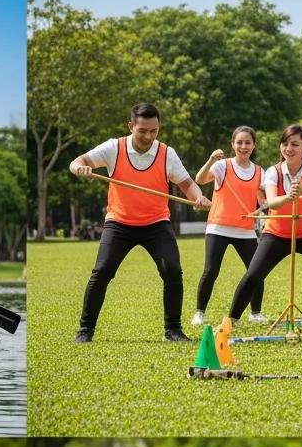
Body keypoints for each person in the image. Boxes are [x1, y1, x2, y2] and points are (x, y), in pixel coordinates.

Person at [70, 101, 212, 343]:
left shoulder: (167, 153)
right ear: (131, 126)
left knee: (172, 271)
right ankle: (85, 330)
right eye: (142, 131)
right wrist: (80, 168)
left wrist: (198, 197)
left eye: (154, 131)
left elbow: (187, 184)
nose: (148, 136)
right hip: (119, 223)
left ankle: (173, 330)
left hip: (156, 224)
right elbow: (77, 162)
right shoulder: (114, 148)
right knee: (102, 271)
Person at [220, 125, 302, 337]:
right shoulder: (273, 171)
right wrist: (289, 196)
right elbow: (271, 201)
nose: (288, 148)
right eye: (285, 144)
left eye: (294, 144)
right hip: (276, 234)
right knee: (253, 275)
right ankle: (230, 320)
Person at [192, 127, 267, 326]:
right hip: (218, 228)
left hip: (246, 231)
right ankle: (199, 312)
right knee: (211, 271)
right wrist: (211, 160)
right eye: (239, 142)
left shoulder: (260, 172)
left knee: (256, 271)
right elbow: (199, 179)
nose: (243, 146)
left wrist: (262, 211)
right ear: (233, 144)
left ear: (253, 146)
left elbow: (264, 200)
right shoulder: (222, 166)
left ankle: (255, 312)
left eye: (248, 143)